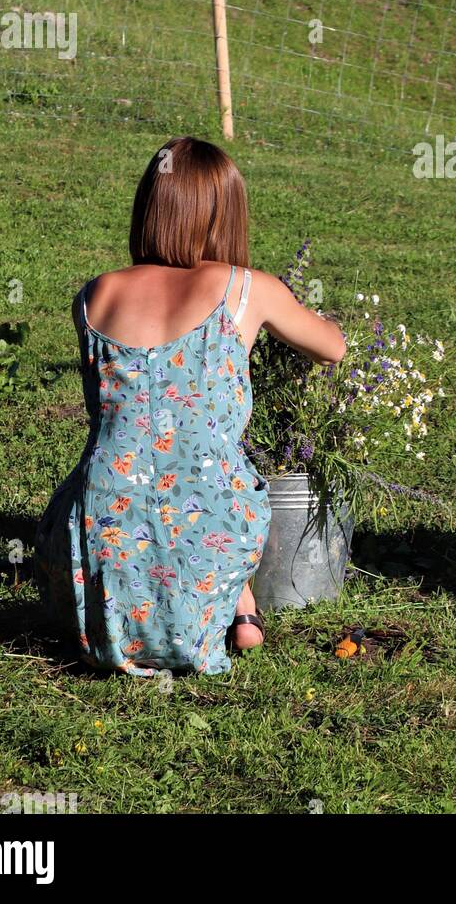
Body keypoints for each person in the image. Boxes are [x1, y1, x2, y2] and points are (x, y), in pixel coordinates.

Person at [35, 136, 345, 675]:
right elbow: (331, 349)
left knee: (166, 475)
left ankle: (211, 610)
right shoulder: (249, 289)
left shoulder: (95, 294)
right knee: (215, 477)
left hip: (99, 528)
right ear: (224, 216)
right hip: (209, 526)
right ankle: (234, 609)